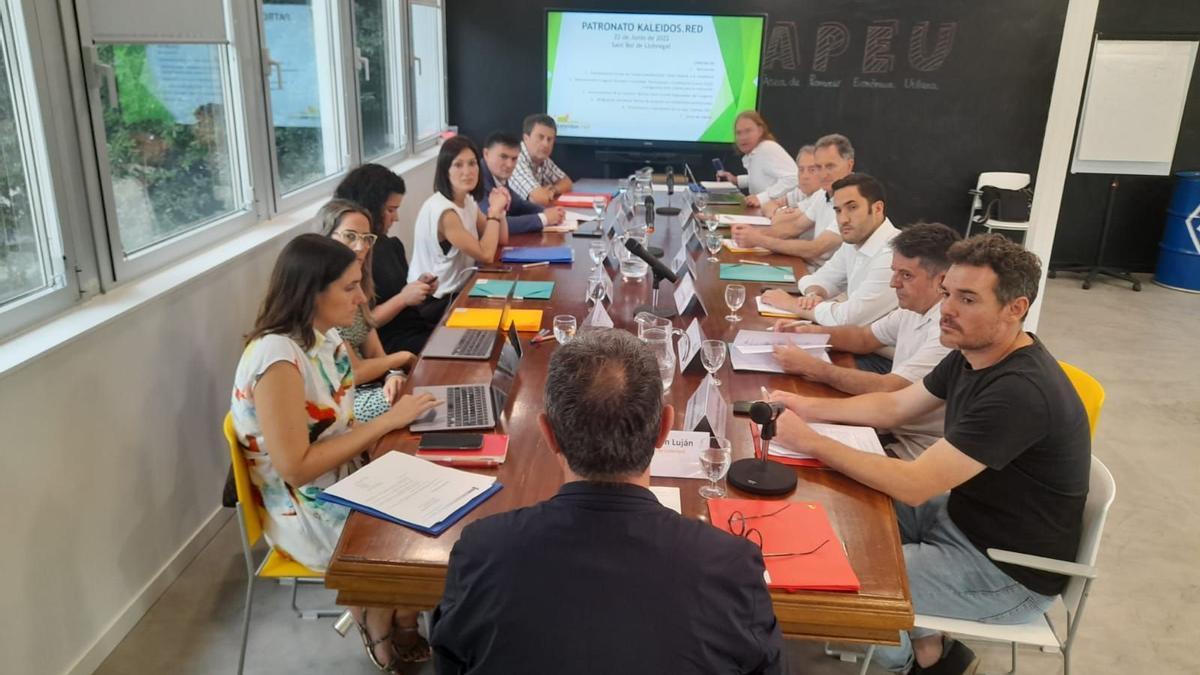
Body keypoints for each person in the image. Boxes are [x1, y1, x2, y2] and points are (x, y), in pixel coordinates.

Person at [768, 234, 1091, 674]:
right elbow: (894, 406)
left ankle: (905, 665)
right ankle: (933, 650)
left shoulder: (1019, 392)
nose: (947, 309)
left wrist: (811, 441)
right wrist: (805, 406)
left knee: (842, 575)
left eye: (968, 299)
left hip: (1004, 572)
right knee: (835, 511)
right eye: (947, 293)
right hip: (963, 519)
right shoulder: (973, 351)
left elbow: (914, 484)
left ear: (1015, 308)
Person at [430, 330, 785, 674]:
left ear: (548, 433)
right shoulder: (732, 566)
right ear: (665, 428)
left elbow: (452, 660)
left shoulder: (480, 551)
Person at [230, 234, 440, 668]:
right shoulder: (277, 359)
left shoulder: (323, 339)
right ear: (311, 292)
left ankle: (400, 611)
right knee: (409, 533)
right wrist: (387, 423)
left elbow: (342, 422)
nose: (361, 297)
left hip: (342, 478)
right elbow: (296, 469)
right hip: (304, 509)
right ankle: (380, 615)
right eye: (350, 287)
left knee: (432, 496)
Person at [772, 222, 961, 459]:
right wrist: (809, 333)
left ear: (942, 281)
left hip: (916, 450)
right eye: (894, 272)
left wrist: (813, 367)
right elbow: (863, 338)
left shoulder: (947, 330)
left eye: (906, 275)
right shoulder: (914, 308)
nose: (893, 283)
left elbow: (890, 390)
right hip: (888, 430)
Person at [316, 199, 418, 422]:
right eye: (350, 236)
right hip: (342, 397)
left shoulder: (359, 284)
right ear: (326, 238)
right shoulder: (325, 294)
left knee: (414, 394)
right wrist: (400, 359)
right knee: (415, 401)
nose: (360, 246)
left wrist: (393, 375)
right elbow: (354, 372)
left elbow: (374, 352)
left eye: (366, 238)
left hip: (368, 385)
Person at [761, 173, 899, 327]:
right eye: (838, 211)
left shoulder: (894, 254)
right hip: (853, 336)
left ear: (877, 208)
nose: (843, 219)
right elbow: (820, 278)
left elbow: (848, 319)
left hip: (877, 342)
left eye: (852, 207)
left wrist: (791, 304)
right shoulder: (854, 241)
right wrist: (813, 295)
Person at [333, 164, 438, 354]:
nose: (395, 218)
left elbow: (397, 294)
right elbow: (364, 324)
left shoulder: (389, 246)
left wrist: (419, 288)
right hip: (393, 342)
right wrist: (403, 298)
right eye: (390, 210)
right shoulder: (352, 261)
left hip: (414, 329)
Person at [732, 133, 855, 269]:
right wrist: (747, 234)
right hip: (811, 269)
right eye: (819, 167)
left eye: (830, 166)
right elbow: (793, 227)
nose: (823, 174)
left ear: (849, 165)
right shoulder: (823, 193)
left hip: (825, 276)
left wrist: (759, 239)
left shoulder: (854, 202)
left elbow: (815, 248)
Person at [408, 136, 510, 298]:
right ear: (445, 171)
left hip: (462, 289)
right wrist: (494, 212)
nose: (467, 172)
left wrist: (499, 209)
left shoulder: (467, 200)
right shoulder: (445, 212)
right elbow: (486, 255)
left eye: (472, 163)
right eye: (458, 165)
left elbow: (501, 239)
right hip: (436, 300)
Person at [479, 131, 565, 234]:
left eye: (514, 159)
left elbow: (518, 205)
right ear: (486, 154)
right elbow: (494, 224)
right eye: (503, 157)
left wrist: (546, 211)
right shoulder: (477, 180)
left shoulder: (497, 176)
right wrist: (544, 218)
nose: (509, 165)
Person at [714, 110, 798, 209]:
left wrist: (762, 198)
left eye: (748, 131)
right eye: (738, 133)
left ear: (760, 131)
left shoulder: (767, 148)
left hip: (782, 214)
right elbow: (764, 177)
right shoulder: (756, 152)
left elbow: (794, 178)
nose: (743, 137)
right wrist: (736, 180)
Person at [509, 114, 573, 205]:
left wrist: (553, 190)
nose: (545, 144)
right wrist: (542, 193)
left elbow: (567, 182)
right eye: (540, 137)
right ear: (526, 138)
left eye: (549, 139)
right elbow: (540, 199)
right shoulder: (515, 159)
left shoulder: (542, 159)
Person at [760, 144, 821, 218]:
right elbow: (768, 205)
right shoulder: (800, 193)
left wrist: (777, 213)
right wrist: (779, 213)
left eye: (812, 170)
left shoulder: (822, 196)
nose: (804, 176)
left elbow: (789, 220)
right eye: (801, 170)